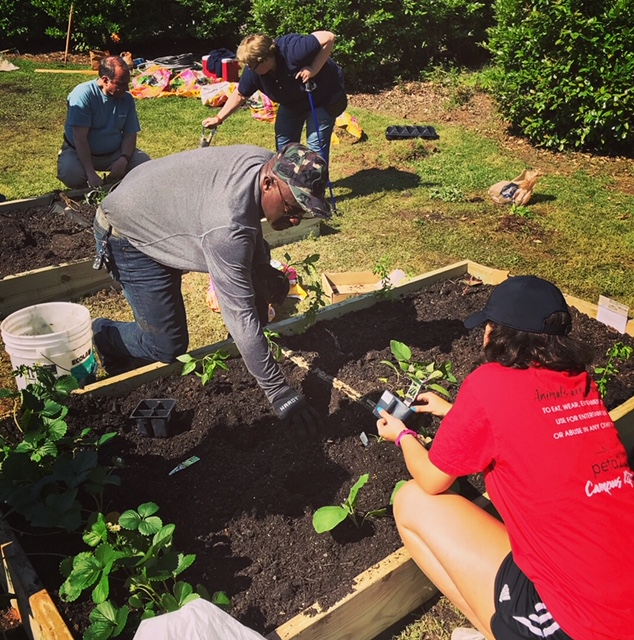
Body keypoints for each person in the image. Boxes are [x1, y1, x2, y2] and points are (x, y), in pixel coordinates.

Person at [376, 276, 634, 640]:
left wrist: (402, 436)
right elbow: (526, 428)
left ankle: (501, 630)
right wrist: (454, 412)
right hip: (621, 584)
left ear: (493, 333)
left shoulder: (489, 383)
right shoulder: (579, 383)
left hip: (582, 625)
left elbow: (432, 480)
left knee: (411, 501)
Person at [92, 142, 331, 439]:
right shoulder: (226, 230)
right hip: (129, 235)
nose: (295, 219)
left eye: (303, 212)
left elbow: (249, 227)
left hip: (157, 207)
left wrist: (261, 270)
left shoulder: (264, 164)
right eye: (293, 207)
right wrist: (280, 392)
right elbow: (239, 315)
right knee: (167, 345)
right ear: (269, 183)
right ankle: (105, 335)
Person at [202, 31, 347, 166]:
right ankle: (288, 184)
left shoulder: (294, 50)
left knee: (316, 146)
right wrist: (218, 118)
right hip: (291, 103)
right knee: (284, 146)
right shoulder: (254, 72)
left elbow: (328, 37)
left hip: (322, 98)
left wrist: (314, 68)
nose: (248, 69)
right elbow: (240, 94)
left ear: (265, 59)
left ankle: (316, 189)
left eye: (251, 65)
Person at [57, 55, 150, 189]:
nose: (127, 88)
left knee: (145, 165)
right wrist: (90, 173)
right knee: (72, 175)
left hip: (114, 153)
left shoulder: (127, 98)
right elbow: (80, 139)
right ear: (105, 80)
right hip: (78, 151)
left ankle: (120, 187)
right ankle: (83, 190)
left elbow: (130, 134)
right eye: (121, 83)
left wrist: (124, 159)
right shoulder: (82, 95)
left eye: (127, 83)